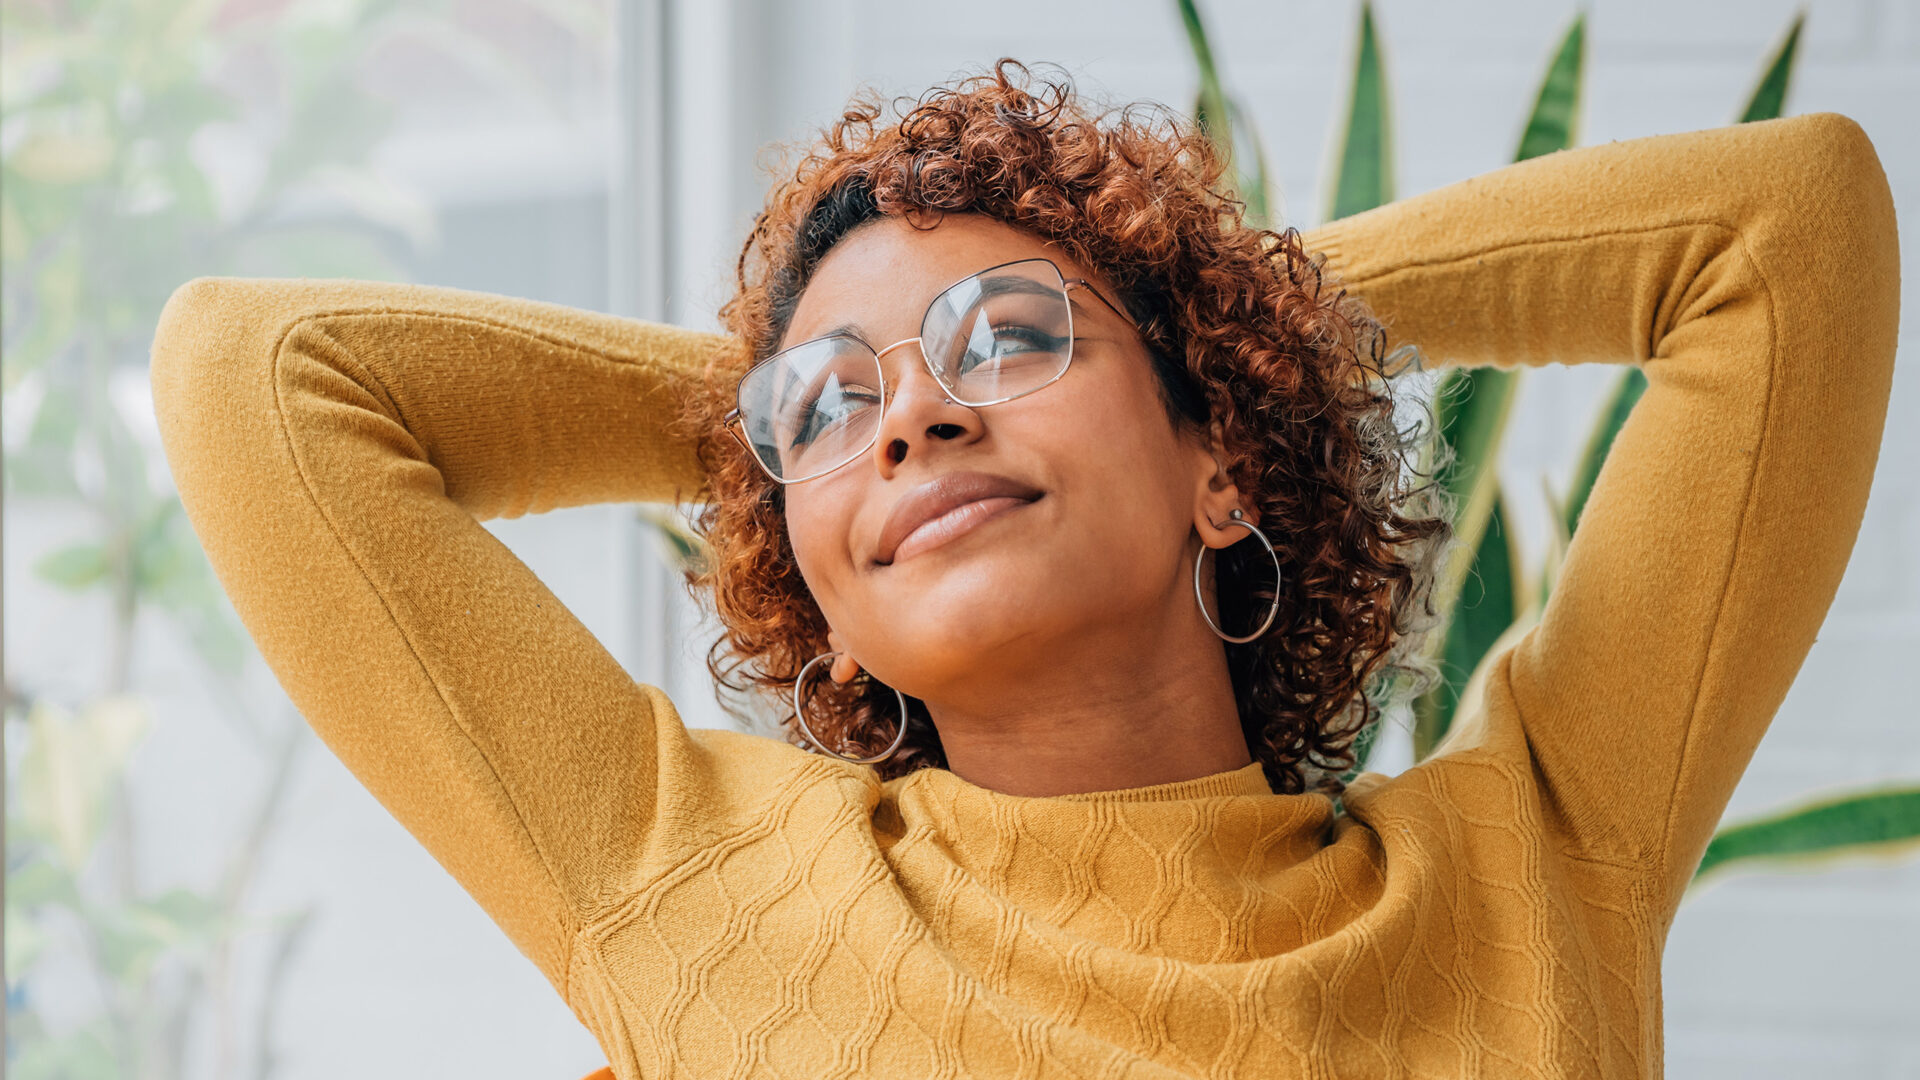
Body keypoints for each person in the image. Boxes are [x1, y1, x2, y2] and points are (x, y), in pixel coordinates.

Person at [149, 61, 1898, 1079]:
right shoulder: (687, 877)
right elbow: (259, 374)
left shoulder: (1541, 866)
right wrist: (803, 427)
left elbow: (1785, 235)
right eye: (830, 406)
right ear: (813, 583)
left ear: (1223, 465)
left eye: (1004, 338)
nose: (908, 413)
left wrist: (1236, 308)